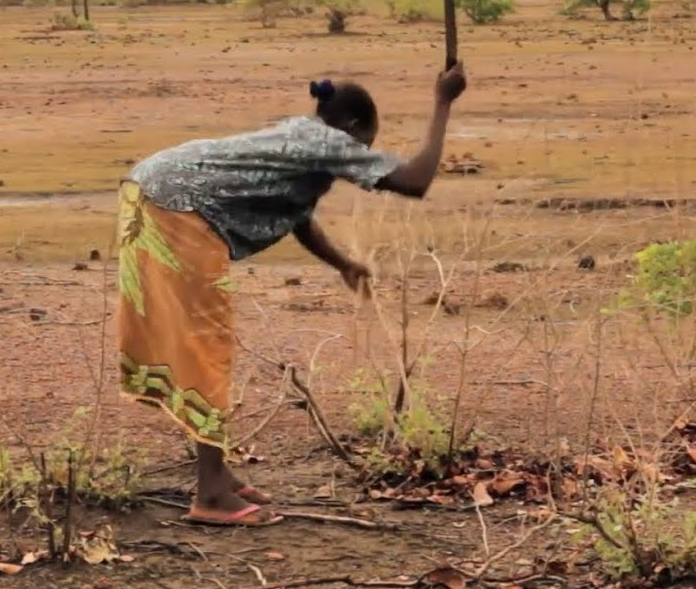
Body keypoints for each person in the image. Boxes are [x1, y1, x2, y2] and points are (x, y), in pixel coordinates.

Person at [113, 61, 467, 527]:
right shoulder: (328, 141)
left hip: (154, 190)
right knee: (204, 344)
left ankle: (218, 474)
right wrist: (443, 102)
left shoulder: (299, 136)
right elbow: (415, 181)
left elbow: (297, 216)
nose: (358, 154)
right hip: (178, 208)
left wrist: (342, 264)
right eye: (365, 142)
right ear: (353, 126)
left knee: (198, 343)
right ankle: (211, 495)